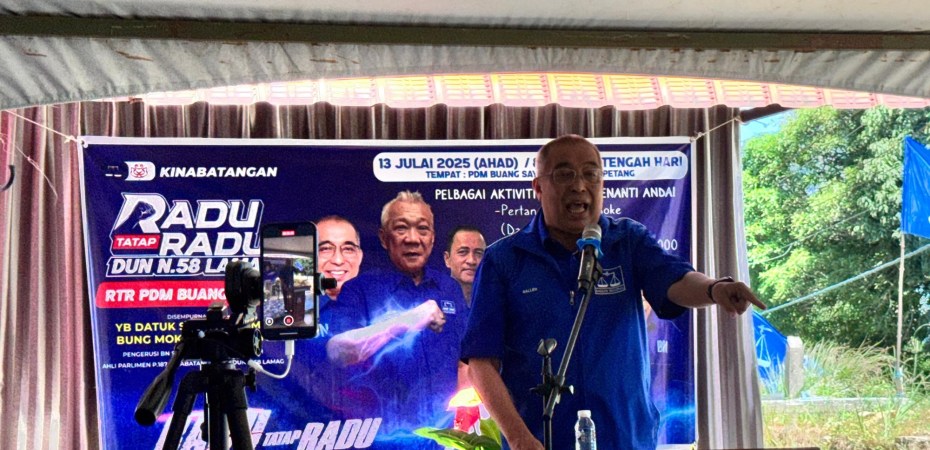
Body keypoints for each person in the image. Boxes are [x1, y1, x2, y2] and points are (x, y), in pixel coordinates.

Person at [460, 135, 766, 450]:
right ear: (538, 187)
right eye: (564, 174)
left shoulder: (627, 241)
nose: (579, 186)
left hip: (625, 438)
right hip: (543, 440)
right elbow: (481, 362)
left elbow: (675, 280)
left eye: (591, 174)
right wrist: (519, 437)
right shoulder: (504, 259)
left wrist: (714, 289)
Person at [323, 191, 468, 447]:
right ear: (384, 238)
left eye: (422, 229)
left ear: (432, 238)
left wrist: (466, 427)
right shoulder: (360, 289)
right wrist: (409, 320)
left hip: (445, 439)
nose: (413, 238)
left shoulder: (449, 288)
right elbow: (337, 350)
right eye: (401, 228)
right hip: (381, 440)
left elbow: (465, 363)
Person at [315, 215, 364, 336]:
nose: (338, 260)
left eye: (348, 249)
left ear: (359, 256)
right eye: (326, 249)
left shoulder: (381, 306)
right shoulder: (294, 313)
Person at [443, 225, 487, 306]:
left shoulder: (497, 303)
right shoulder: (433, 299)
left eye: (478, 253)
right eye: (463, 252)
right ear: (447, 259)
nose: (471, 260)